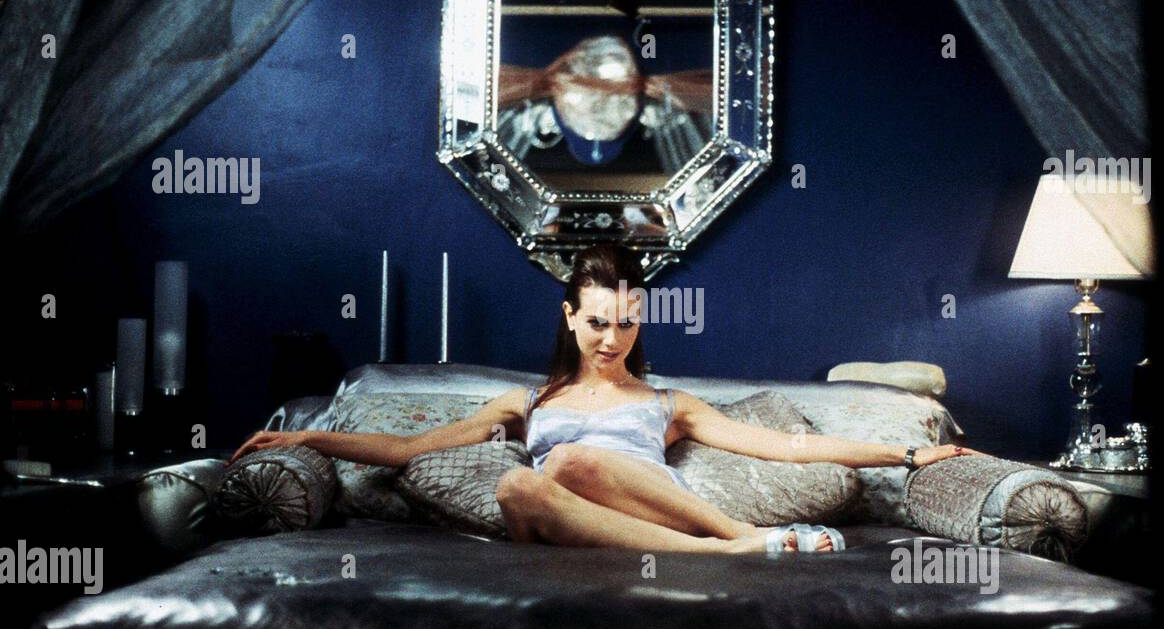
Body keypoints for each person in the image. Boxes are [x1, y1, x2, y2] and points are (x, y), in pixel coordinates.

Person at [230, 245, 978, 553]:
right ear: (569, 317)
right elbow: (403, 450)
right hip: (559, 525)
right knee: (521, 482)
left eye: (625, 322)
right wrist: (304, 437)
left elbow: (789, 446)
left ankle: (729, 540)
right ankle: (738, 548)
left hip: (647, 514)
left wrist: (909, 452)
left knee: (569, 461)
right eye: (596, 322)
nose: (611, 339)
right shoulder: (528, 401)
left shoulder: (667, 402)